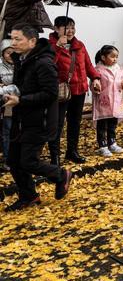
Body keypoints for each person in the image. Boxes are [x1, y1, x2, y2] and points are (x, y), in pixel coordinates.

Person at [4, 24, 73, 211]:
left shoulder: (44, 62)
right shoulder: (22, 60)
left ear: (32, 41)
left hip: (39, 120)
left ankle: (61, 174)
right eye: (12, 38)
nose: (13, 43)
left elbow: (50, 94)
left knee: (28, 161)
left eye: (18, 39)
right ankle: (29, 196)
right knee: (13, 161)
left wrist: (21, 100)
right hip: (22, 118)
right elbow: (24, 87)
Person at [48, 16, 101, 165]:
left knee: (74, 122)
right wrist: (58, 46)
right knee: (57, 124)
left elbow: (88, 64)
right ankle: (55, 156)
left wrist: (95, 78)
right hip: (61, 91)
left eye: (72, 27)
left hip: (79, 89)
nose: (70, 31)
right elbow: (48, 64)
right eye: (66, 27)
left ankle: (72, 151)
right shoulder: (48, 45)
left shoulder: (79, 45)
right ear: (56, 29)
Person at [93, 45, 123, 157]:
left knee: (112, 124)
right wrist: (95, 86)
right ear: (103, 58)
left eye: (116, 57)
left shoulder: (118, 68)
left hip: (116, 101)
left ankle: (112, 142)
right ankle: (102, 145)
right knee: (102, 124)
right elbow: (94, 82)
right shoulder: (98, 70)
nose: (115, 59)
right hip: (104, 102)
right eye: (112, 56)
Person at [0, 39, 14, 170]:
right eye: (8, 53)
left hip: (21, 101)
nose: (11, 55)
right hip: (6, 103)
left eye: (13, 52)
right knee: (7, 130)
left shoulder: (21, 64)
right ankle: (6, 158)